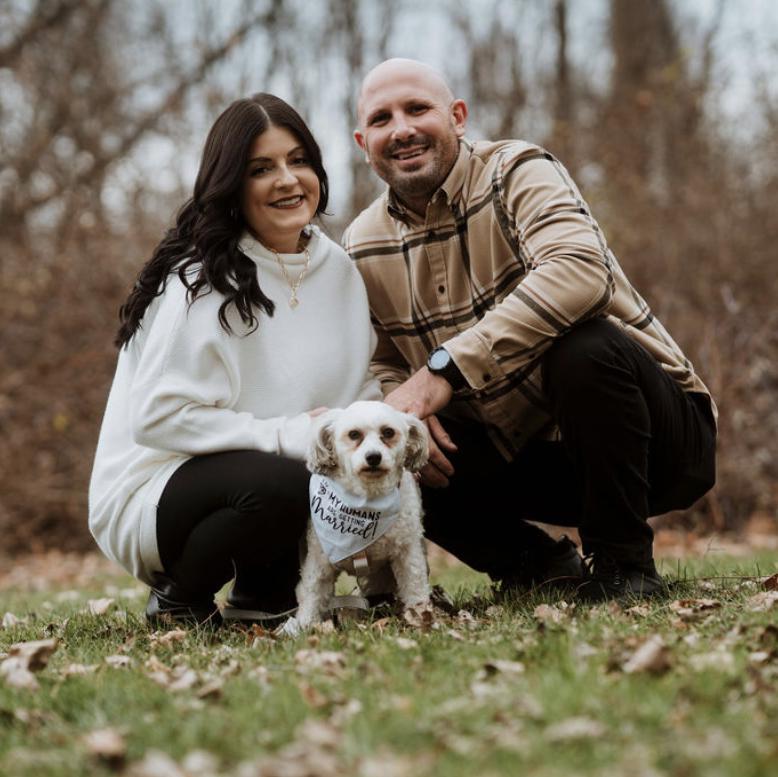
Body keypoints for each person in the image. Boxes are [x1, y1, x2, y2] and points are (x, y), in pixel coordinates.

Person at [343, 59, 717, 602]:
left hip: (652, 440)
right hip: (522, 459)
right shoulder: (360, 243)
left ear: (458, 117)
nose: (401, 129)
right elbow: (378, 362)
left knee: (586, 347)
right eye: (382, 119)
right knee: (391, 439)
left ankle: (623, 567)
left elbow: (580, 270)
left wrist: (446, 368)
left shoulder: (516, 171)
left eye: (417, 109)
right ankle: (539, 566)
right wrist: (394, 406)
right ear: (363, 141)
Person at [89, 93, 381, 628]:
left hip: (269, 477)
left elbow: (355, 386)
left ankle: (263, 595)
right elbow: (157, 417)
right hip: (156, 489)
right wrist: (285, 434)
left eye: (299, 161)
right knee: (288, 479)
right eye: (261, 169)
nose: (288, 180)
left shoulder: (338, 270)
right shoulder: (202, 279)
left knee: (319, 469)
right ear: (231, 185)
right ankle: (180, 600)